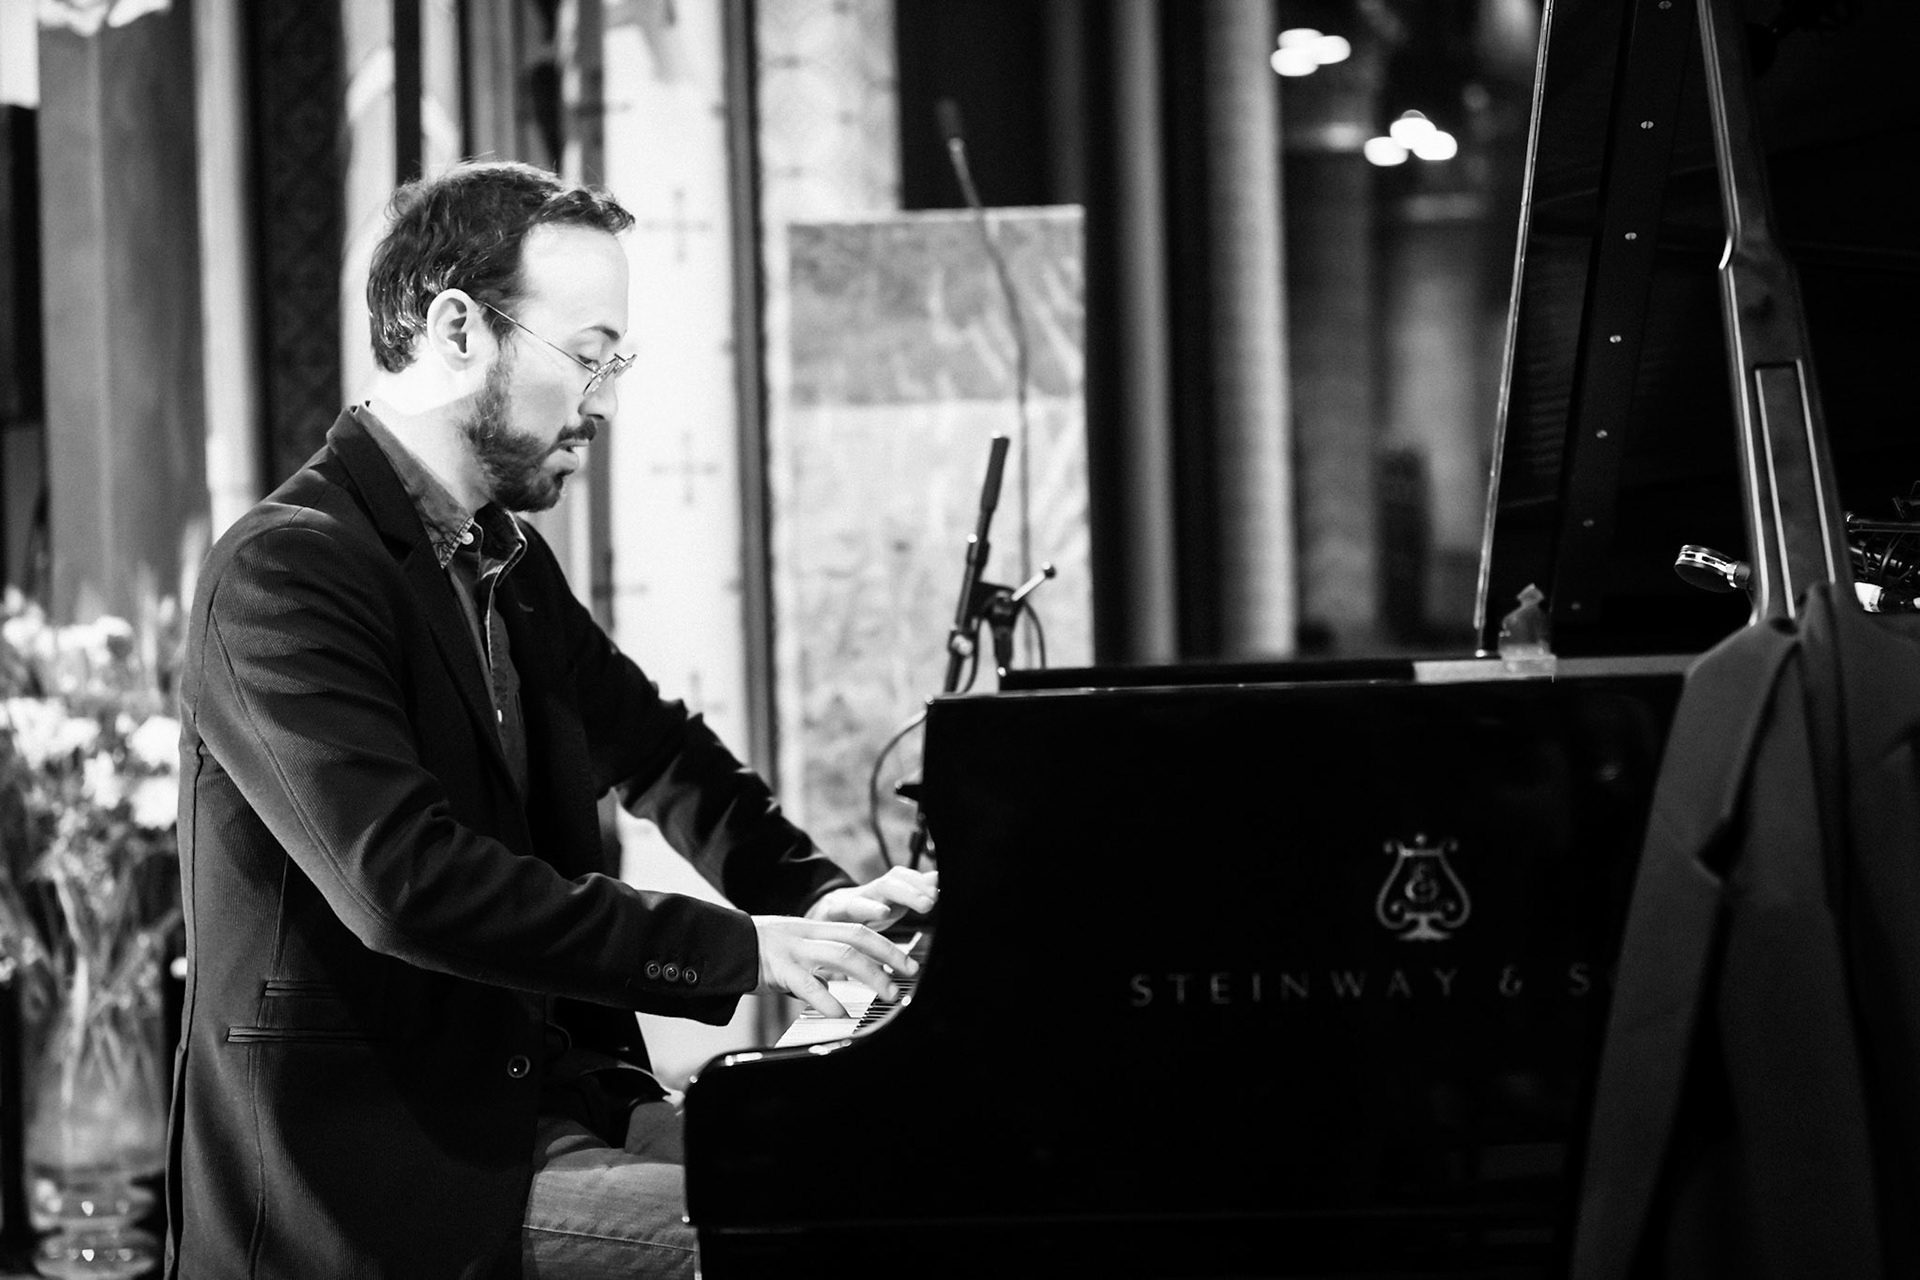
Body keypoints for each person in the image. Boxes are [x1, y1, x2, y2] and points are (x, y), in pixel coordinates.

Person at [166, 159, 937, 1280]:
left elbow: (661, 748)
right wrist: (746, 949)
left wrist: (820, 899)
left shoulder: (502, 560)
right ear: (456, 326)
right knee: (828, 1240)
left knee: (895, 1182)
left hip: (543, 1108)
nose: (606, 402)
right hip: (383, 1175)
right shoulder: (285, 569)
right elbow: (406, 882)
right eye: (587, 356)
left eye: (615, 363)